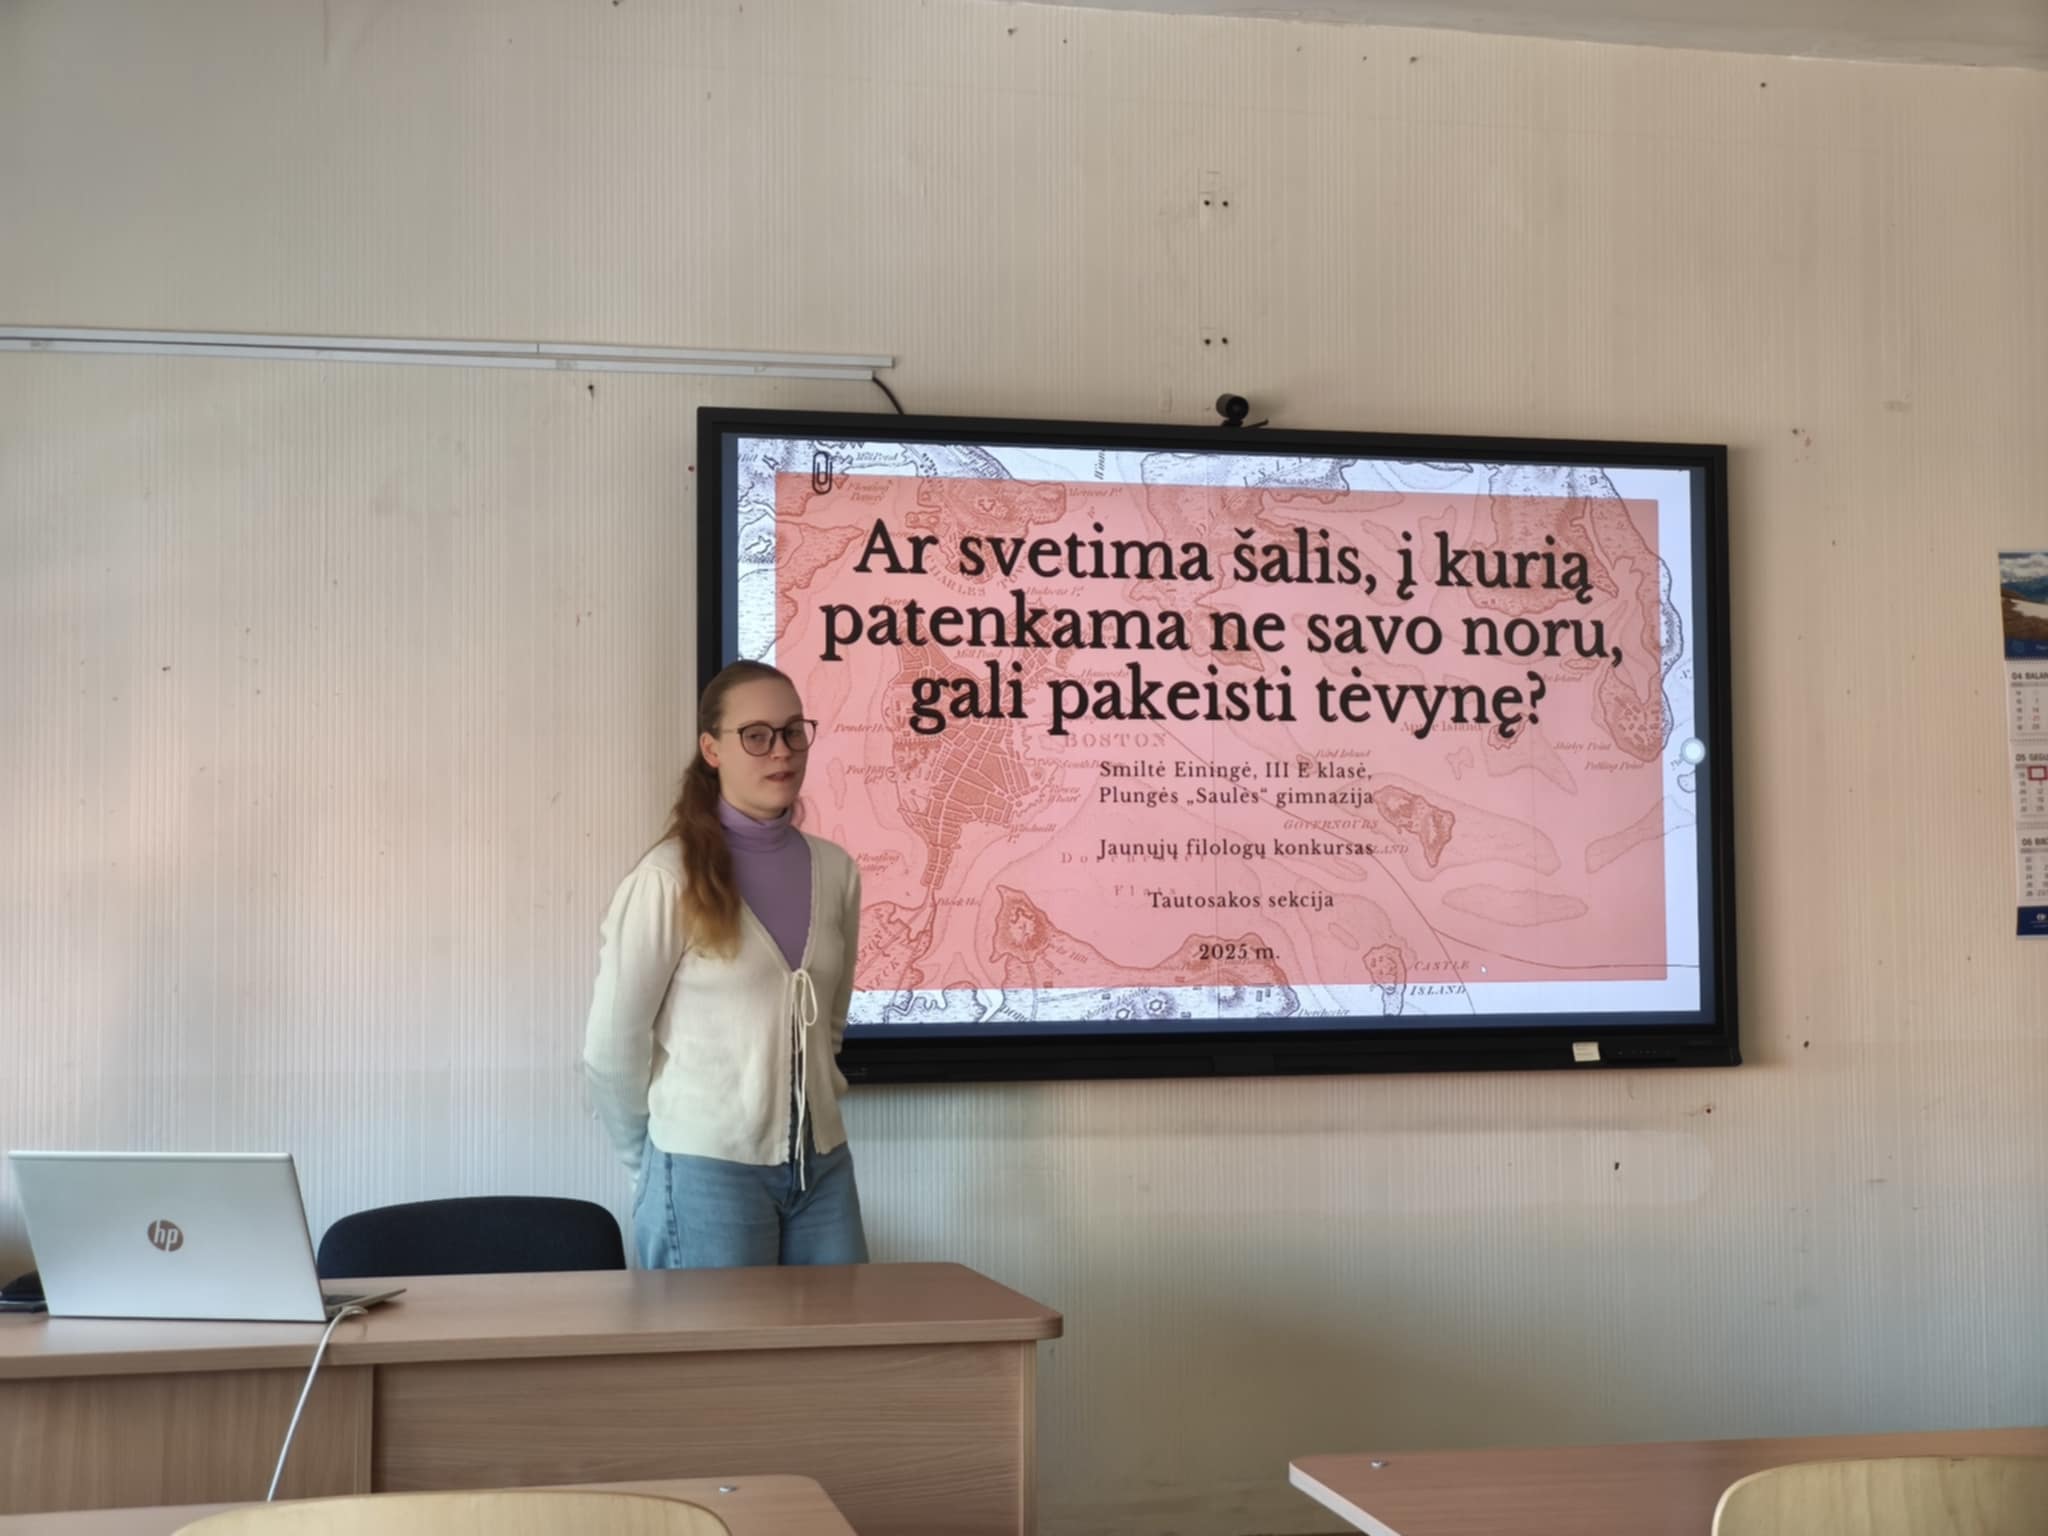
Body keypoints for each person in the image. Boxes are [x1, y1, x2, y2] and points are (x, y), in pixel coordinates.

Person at [582, 659, 867, 1268]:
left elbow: (828, 1028)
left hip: (822, 1170)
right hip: (704, 1170)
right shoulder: (668, 878)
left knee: (844, 1332)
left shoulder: (836, 870)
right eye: (756, 735)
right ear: (712, 749)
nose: (780, 750)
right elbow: (611, 1048)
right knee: (722, 1338)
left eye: (793, 731)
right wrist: (649, 1166)